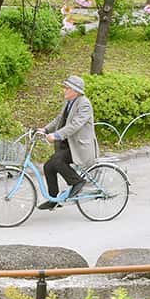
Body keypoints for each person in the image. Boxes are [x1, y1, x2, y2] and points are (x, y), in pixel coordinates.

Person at [37, 75, 98, 210]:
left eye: (66, 88)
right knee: (48, 166)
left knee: (57, 161)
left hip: (80, 147)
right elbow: (59, 119)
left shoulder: (84, 104)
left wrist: (57, 135)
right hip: (68, 146)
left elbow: (75, 125)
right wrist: (46, 129)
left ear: (75, 91)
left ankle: (78, 182)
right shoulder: (68, 102)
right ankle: (53, 199)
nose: (64, 90)